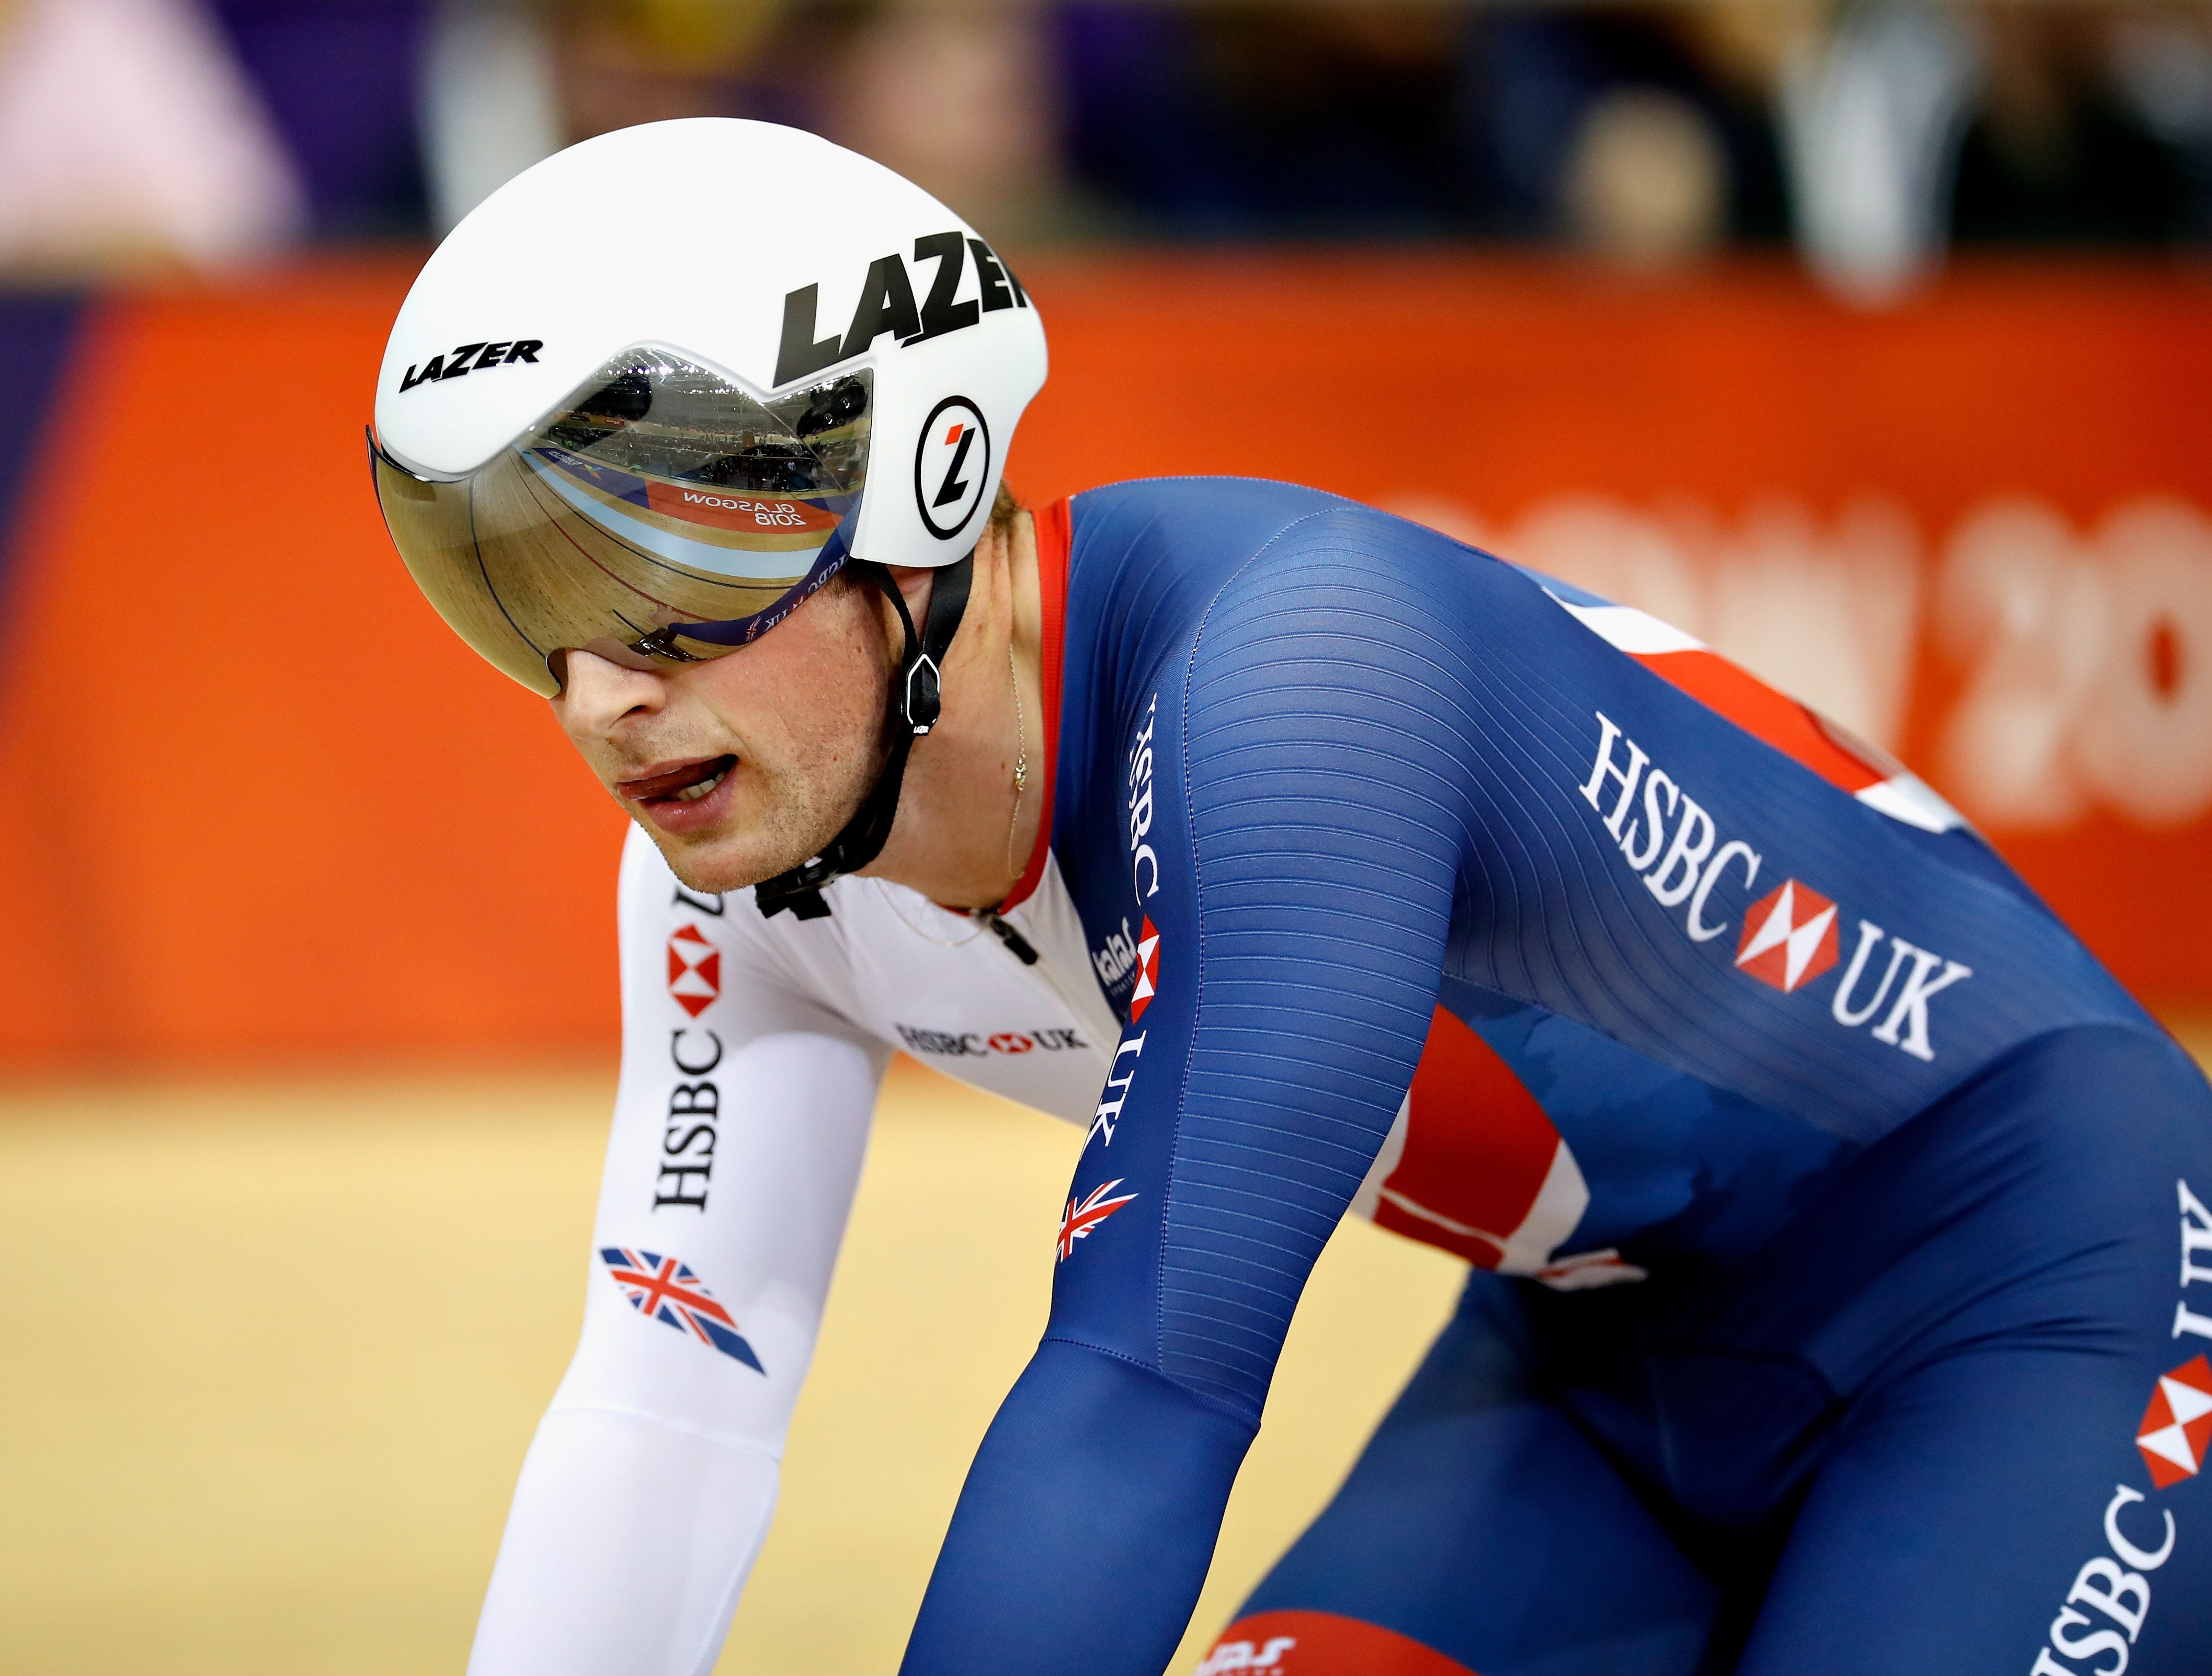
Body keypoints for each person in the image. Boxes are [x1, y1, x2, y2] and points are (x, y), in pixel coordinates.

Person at [367, 118, 2212, 1676]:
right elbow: (674, 1398)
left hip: (2051, 1280)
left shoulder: (1296, 684)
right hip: (1607, 1359)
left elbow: (1146, 1385)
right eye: (519, 604)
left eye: (680, 575)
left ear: (929, 481)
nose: (602, 696)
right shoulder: (737, 848)